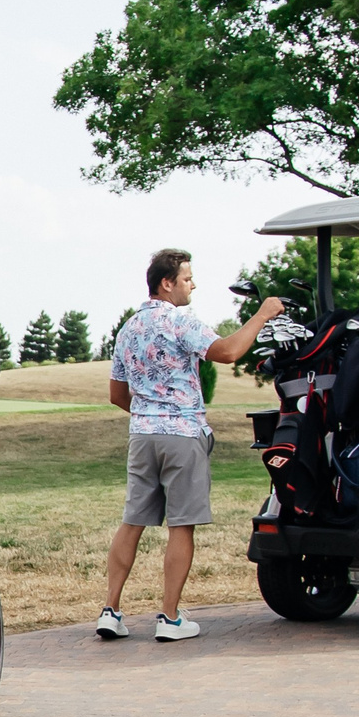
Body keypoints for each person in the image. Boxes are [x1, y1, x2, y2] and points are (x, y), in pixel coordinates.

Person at [96, 249, 284, 642]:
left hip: (142, 435)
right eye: (187, 278)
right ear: (167, 283)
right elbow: (228, 352)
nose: (193, 285)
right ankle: (169, 617)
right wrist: (262, 315)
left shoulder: (129, 328)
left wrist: (149, 411)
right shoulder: (181, 321)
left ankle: (110, 611)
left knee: (132, 521)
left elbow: (116, 394)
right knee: (181, 525)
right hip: (182, 433)